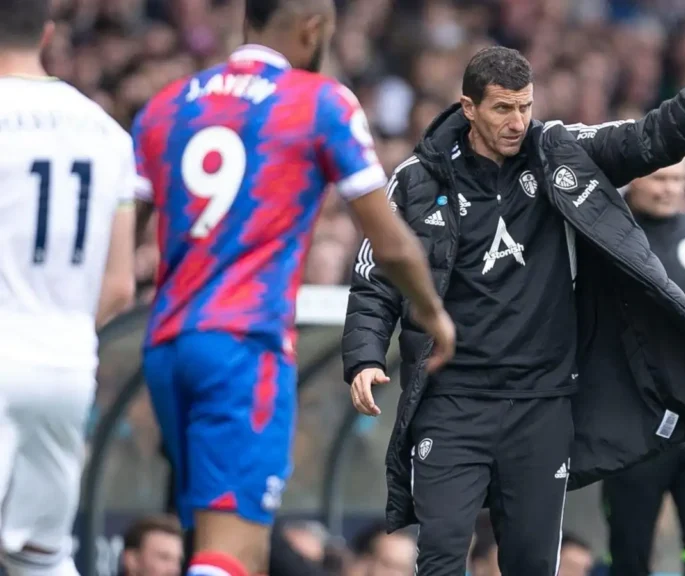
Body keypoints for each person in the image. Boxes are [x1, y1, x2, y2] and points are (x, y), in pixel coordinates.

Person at [343, 30, 685, 575]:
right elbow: (375, 277)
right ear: (468, 107)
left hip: (541, 402)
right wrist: (363, 356)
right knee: (440, 557)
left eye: (525, 107)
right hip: (452, 402)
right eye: (502, 108)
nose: (516, 122)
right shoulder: (415, 180)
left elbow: (647, 141)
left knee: (531, 562)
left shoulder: (557, 152)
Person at [131, 0, 454, 574]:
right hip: (243, 344)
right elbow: (393, 243)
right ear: (313, 28)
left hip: (165, 344)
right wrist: (434, 313)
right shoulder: (317, 101)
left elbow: (127, 245)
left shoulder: (166, 105)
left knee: (214, 541)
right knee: (231, 552)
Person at [0, 0, 138, 574]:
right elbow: (120, 286)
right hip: (65, 366)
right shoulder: (106, 132)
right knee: (40, 558)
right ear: (49, 34)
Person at [603, 158, 685, 576]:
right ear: (634, 177)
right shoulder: (605, 229)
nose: (670, 189)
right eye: (660, 178)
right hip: (635, 422)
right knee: (630, 549)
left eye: (678, 179)